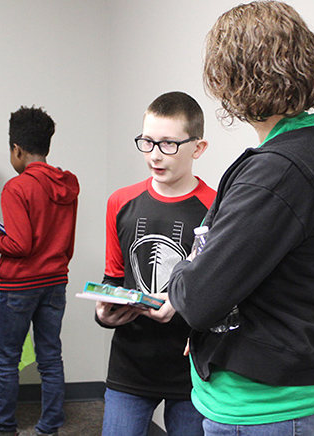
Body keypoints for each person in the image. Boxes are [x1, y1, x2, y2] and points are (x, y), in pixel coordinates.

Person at [162, 2, 314, 436]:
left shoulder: (277, 174)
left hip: (260, 404)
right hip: (297, 381)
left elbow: (199, 298)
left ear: (232, 78)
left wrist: (184, 270)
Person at [96, 91, 214, 436]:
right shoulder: (120, 202)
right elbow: (114, 278)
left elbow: (221, 293)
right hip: (130, 364)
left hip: (192, 369)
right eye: (147, 142)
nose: (154, 156)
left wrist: (179, 303)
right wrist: (104, 314)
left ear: (198, 148)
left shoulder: (217, 208)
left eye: (168, 145)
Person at [0, 106, 80, 436]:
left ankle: (5, 427)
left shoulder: (17, 188)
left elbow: (19, 245)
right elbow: (66, 242)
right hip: (56, 282)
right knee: (51, 357)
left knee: (7, 358)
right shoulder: (69, 185)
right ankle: (49, 427)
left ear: (16, 149)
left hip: (20, 286)